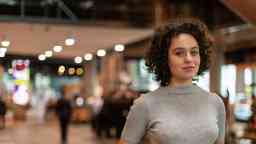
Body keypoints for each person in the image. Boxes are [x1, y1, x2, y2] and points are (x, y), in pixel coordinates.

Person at [118, 18, 226, 144]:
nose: (189, 59)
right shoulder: (145, 104)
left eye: (194, 52)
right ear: (164, 58)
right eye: (179, 53)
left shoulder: (215, 102)